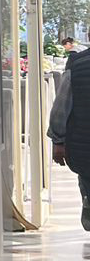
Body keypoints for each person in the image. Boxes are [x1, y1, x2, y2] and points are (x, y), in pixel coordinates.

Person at [48, 41, 90, 229]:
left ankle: (88, 203)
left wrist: (58, 141)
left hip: (84, 146)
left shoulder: (77, 65)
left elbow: (61, 107)